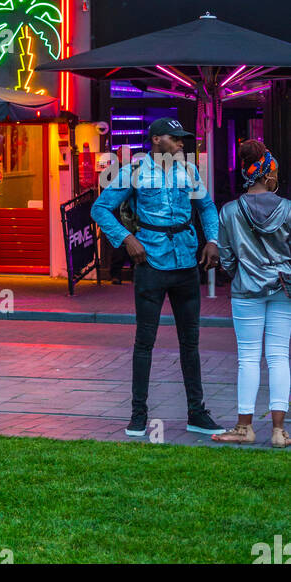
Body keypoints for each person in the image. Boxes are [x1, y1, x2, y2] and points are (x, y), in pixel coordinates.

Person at [91, 117, 221, 438]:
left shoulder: (189, 172)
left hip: (186, 264)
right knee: (144, 342)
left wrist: (213, 240)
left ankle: (197, 412)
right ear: (156, 139)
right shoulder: (134, 171)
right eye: (175, 139)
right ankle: (138, 415)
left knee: (190, 342)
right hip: (150, 263)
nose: (181, 144)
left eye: (182, 139)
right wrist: (126, 239)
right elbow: (100, 209)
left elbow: (206, 207)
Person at [212, 142, 291, 447]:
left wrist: (242, 273)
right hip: (284, 288)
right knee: (279, 356)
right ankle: (279, 431)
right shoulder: (287, 208)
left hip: (246, 289)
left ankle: (244, 428)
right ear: (268, 173)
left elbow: (226, 257)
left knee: (248, 358)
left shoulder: (230, 211)